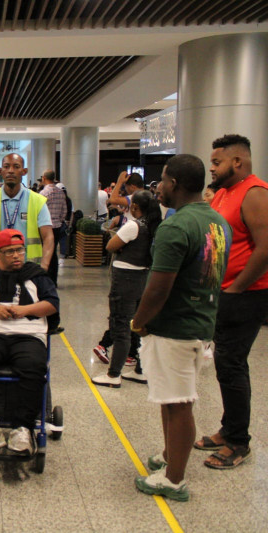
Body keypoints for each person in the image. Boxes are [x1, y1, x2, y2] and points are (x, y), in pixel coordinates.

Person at [130, 154, 231, 501]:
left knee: (179, 403)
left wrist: (139, 322)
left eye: (161, 179)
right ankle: (171, 455)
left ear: (174, 183)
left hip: (174, 328)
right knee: (172, 400)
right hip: (201, 324)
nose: (157, 186)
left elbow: (158, 287)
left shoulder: (175, 226)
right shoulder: (218, 222)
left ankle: (174, 479)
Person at [198, 134, 268, 469]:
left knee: (232, 364)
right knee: (225, 365)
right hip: (221, 292)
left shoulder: (255, 193)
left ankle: (239, 442)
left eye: (216, 162)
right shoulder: (224, 193)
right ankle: (229, 429)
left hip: (245, 296)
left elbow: (265, 249)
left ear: (236, 162)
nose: (211, 169)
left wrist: (236, 288)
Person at [0, 229, 59, 455]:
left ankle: (22, 428)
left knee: (34, 367)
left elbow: (52, 304)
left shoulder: (37, 276)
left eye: (20, 250)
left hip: (28, 334)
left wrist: (24, 310)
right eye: (10, 252)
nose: (17, 256)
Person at [91, 191, 163, 387]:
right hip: (143, 279)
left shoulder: (133, 226)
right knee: (138, 327)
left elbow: (111, 246)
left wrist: (121, 246)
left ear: (134, 207)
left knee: (120, 326)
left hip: (125, 281)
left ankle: (114, 375)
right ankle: (141, 370)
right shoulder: (155, 226)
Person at [0, 153, 53, 272]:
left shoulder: (37, 200)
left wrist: (45, 265)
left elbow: (48, 236)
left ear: (24, 171)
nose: (11, 171)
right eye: (6, 167)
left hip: (29, 268)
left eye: (16, 167)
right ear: (0, 171)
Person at [40, 170, 67, 286]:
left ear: (44, 178)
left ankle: (44, 280)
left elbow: (38, 211)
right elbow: (64, 211)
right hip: (57, 227)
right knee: (53, 252)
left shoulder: (43, 193)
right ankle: (53, 280)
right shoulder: (61, 193)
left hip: (45, 228)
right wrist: (59, 220)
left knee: (45, 252)